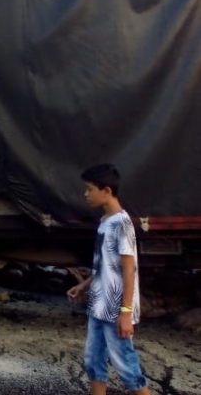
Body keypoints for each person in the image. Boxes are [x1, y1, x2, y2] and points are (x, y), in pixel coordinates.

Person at [67, 164, 150, 395]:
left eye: (89, 189)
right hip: (99, 306)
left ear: (106, 191)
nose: (85, 194)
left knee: (126, 367)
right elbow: (104, 267)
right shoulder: (106, 221)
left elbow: (129, 270)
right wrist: (83, 286)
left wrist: (125, 313)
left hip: (115, 310)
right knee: (94, 361)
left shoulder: (122, 225)